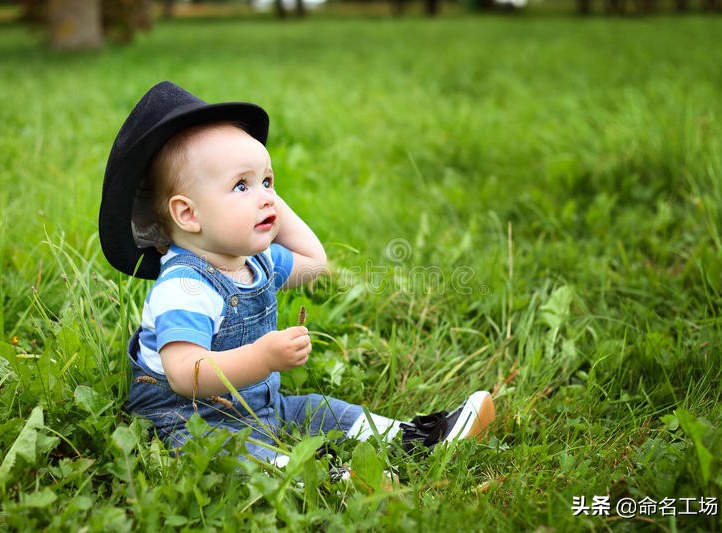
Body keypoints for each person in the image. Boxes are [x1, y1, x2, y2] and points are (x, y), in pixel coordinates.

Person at [98, 81, 495, 467]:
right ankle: (322, 478)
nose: (266, 196)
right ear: (188, 214)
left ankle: (415, 437)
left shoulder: (256, 260)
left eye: (268, 181)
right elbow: (186, 374)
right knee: (234, 455)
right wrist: (262, 357)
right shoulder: (184, 287)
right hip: (189, 424)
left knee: (321, 410)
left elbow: (314, 262)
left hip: (260, 408)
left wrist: (262, 197)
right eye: (240, 186)